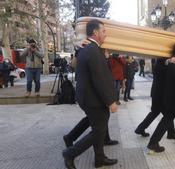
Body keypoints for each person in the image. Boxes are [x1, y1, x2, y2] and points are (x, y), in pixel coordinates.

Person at [62, 20, 118, 169]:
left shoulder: (91, 48)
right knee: (98, 130)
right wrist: (110, 101)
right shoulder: (92, 50)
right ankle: (70, 154)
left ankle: (99, 158)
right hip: (92, 98)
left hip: (88, 96)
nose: (106, 34)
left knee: (93, 122)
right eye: (104, 31)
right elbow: (99, 79)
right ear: (95, 32)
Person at [135, 57, 175, 139]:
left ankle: (140, 129)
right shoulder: (160, 62)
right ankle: (171, 133)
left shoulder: (162, 63)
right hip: (160, 95)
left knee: (156, 113)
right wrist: (168, 61)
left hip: (157, 94)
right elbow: (160, 69)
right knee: (168, 114)